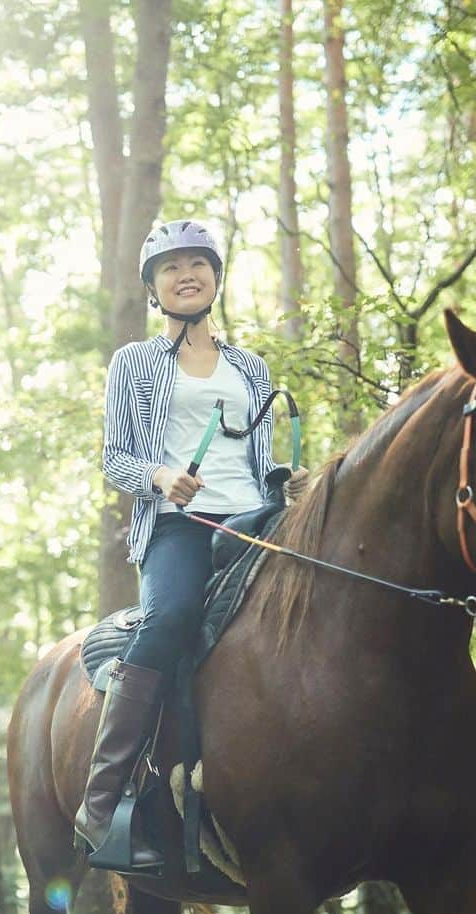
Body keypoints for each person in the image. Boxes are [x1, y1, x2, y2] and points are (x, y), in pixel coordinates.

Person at [74, 219, 309, 872]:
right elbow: (115, 456)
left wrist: (289, 488)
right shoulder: (135, 363)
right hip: (179, 525)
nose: (186, 273)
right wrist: (159, 476)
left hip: (256, 522)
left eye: (197, 263)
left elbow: (264, 459)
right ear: (153, 287)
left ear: (214, 277)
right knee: (171, 616)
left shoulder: (250, 367)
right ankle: (107, 798)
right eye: (170, 266)